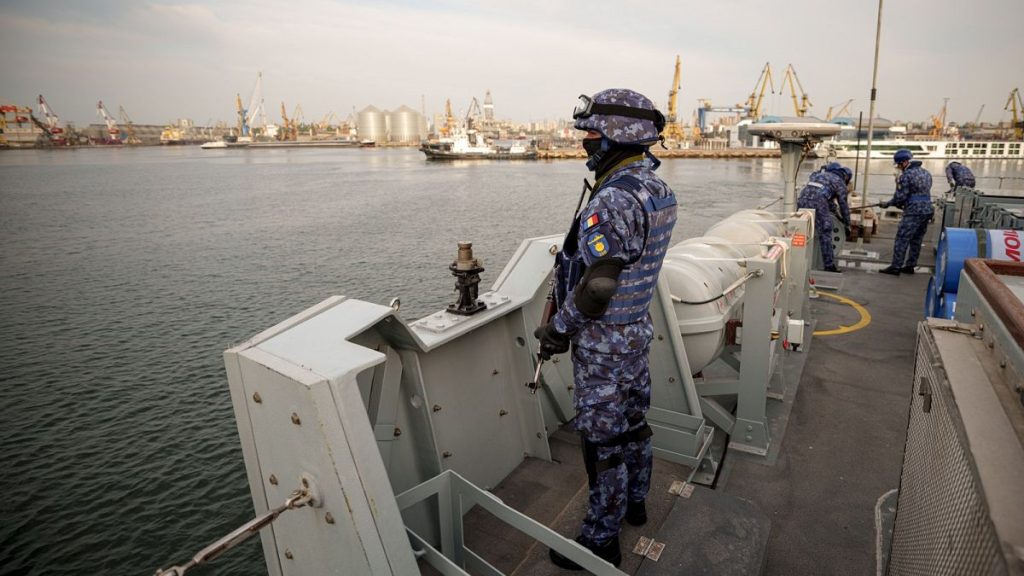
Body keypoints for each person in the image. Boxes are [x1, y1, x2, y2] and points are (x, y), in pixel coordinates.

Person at [533, 88, 677, 570]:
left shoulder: (613, 198)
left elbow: (597, 288)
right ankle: (636, 503)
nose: (586, 144)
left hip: (603, 346)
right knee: (634, 427)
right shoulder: (657, 189)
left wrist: (558, 329)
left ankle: (601, 540)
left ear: (617, 137)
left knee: (602, 444)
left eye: (592, 135)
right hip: (634, 333)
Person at [879, 149, 934, 276]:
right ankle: (910, 266)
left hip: (913, 211)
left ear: (904, 162)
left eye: (898, 165)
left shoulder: (906, 176)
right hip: (927, 209)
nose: (898, 167)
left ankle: (896, 267)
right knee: (917, 239)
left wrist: (887, 204)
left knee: (902, 238)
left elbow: (900, 197)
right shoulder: (926, 173)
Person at [797, 162, 851, 273]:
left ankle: (797, 259)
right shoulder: (840, 182)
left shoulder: (818, 175)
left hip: (802, 198)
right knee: (825, 231)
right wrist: (847, 224)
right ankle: (829, 265)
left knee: (800, 229)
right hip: (818, 202)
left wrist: (834, 210)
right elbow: (844, 206)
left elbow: (826, 196)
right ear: (846, 177)